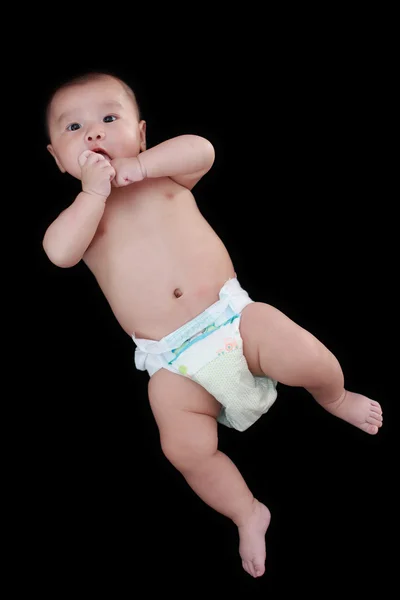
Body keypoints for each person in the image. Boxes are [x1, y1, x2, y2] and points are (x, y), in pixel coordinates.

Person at [43, 71, 383, 578]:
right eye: (74, 129)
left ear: (139, 133)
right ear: (56, 158)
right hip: (173, 362)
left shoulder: (163, 176)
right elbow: (58, 253)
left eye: (109, 119)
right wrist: (92, 194)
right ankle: (247, 512)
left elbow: (201, 150)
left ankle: (334, 397)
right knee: (183, 448)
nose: (93, 134)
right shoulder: (83, 219)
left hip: (234, 321)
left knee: (307, 354)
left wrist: (139, 166)